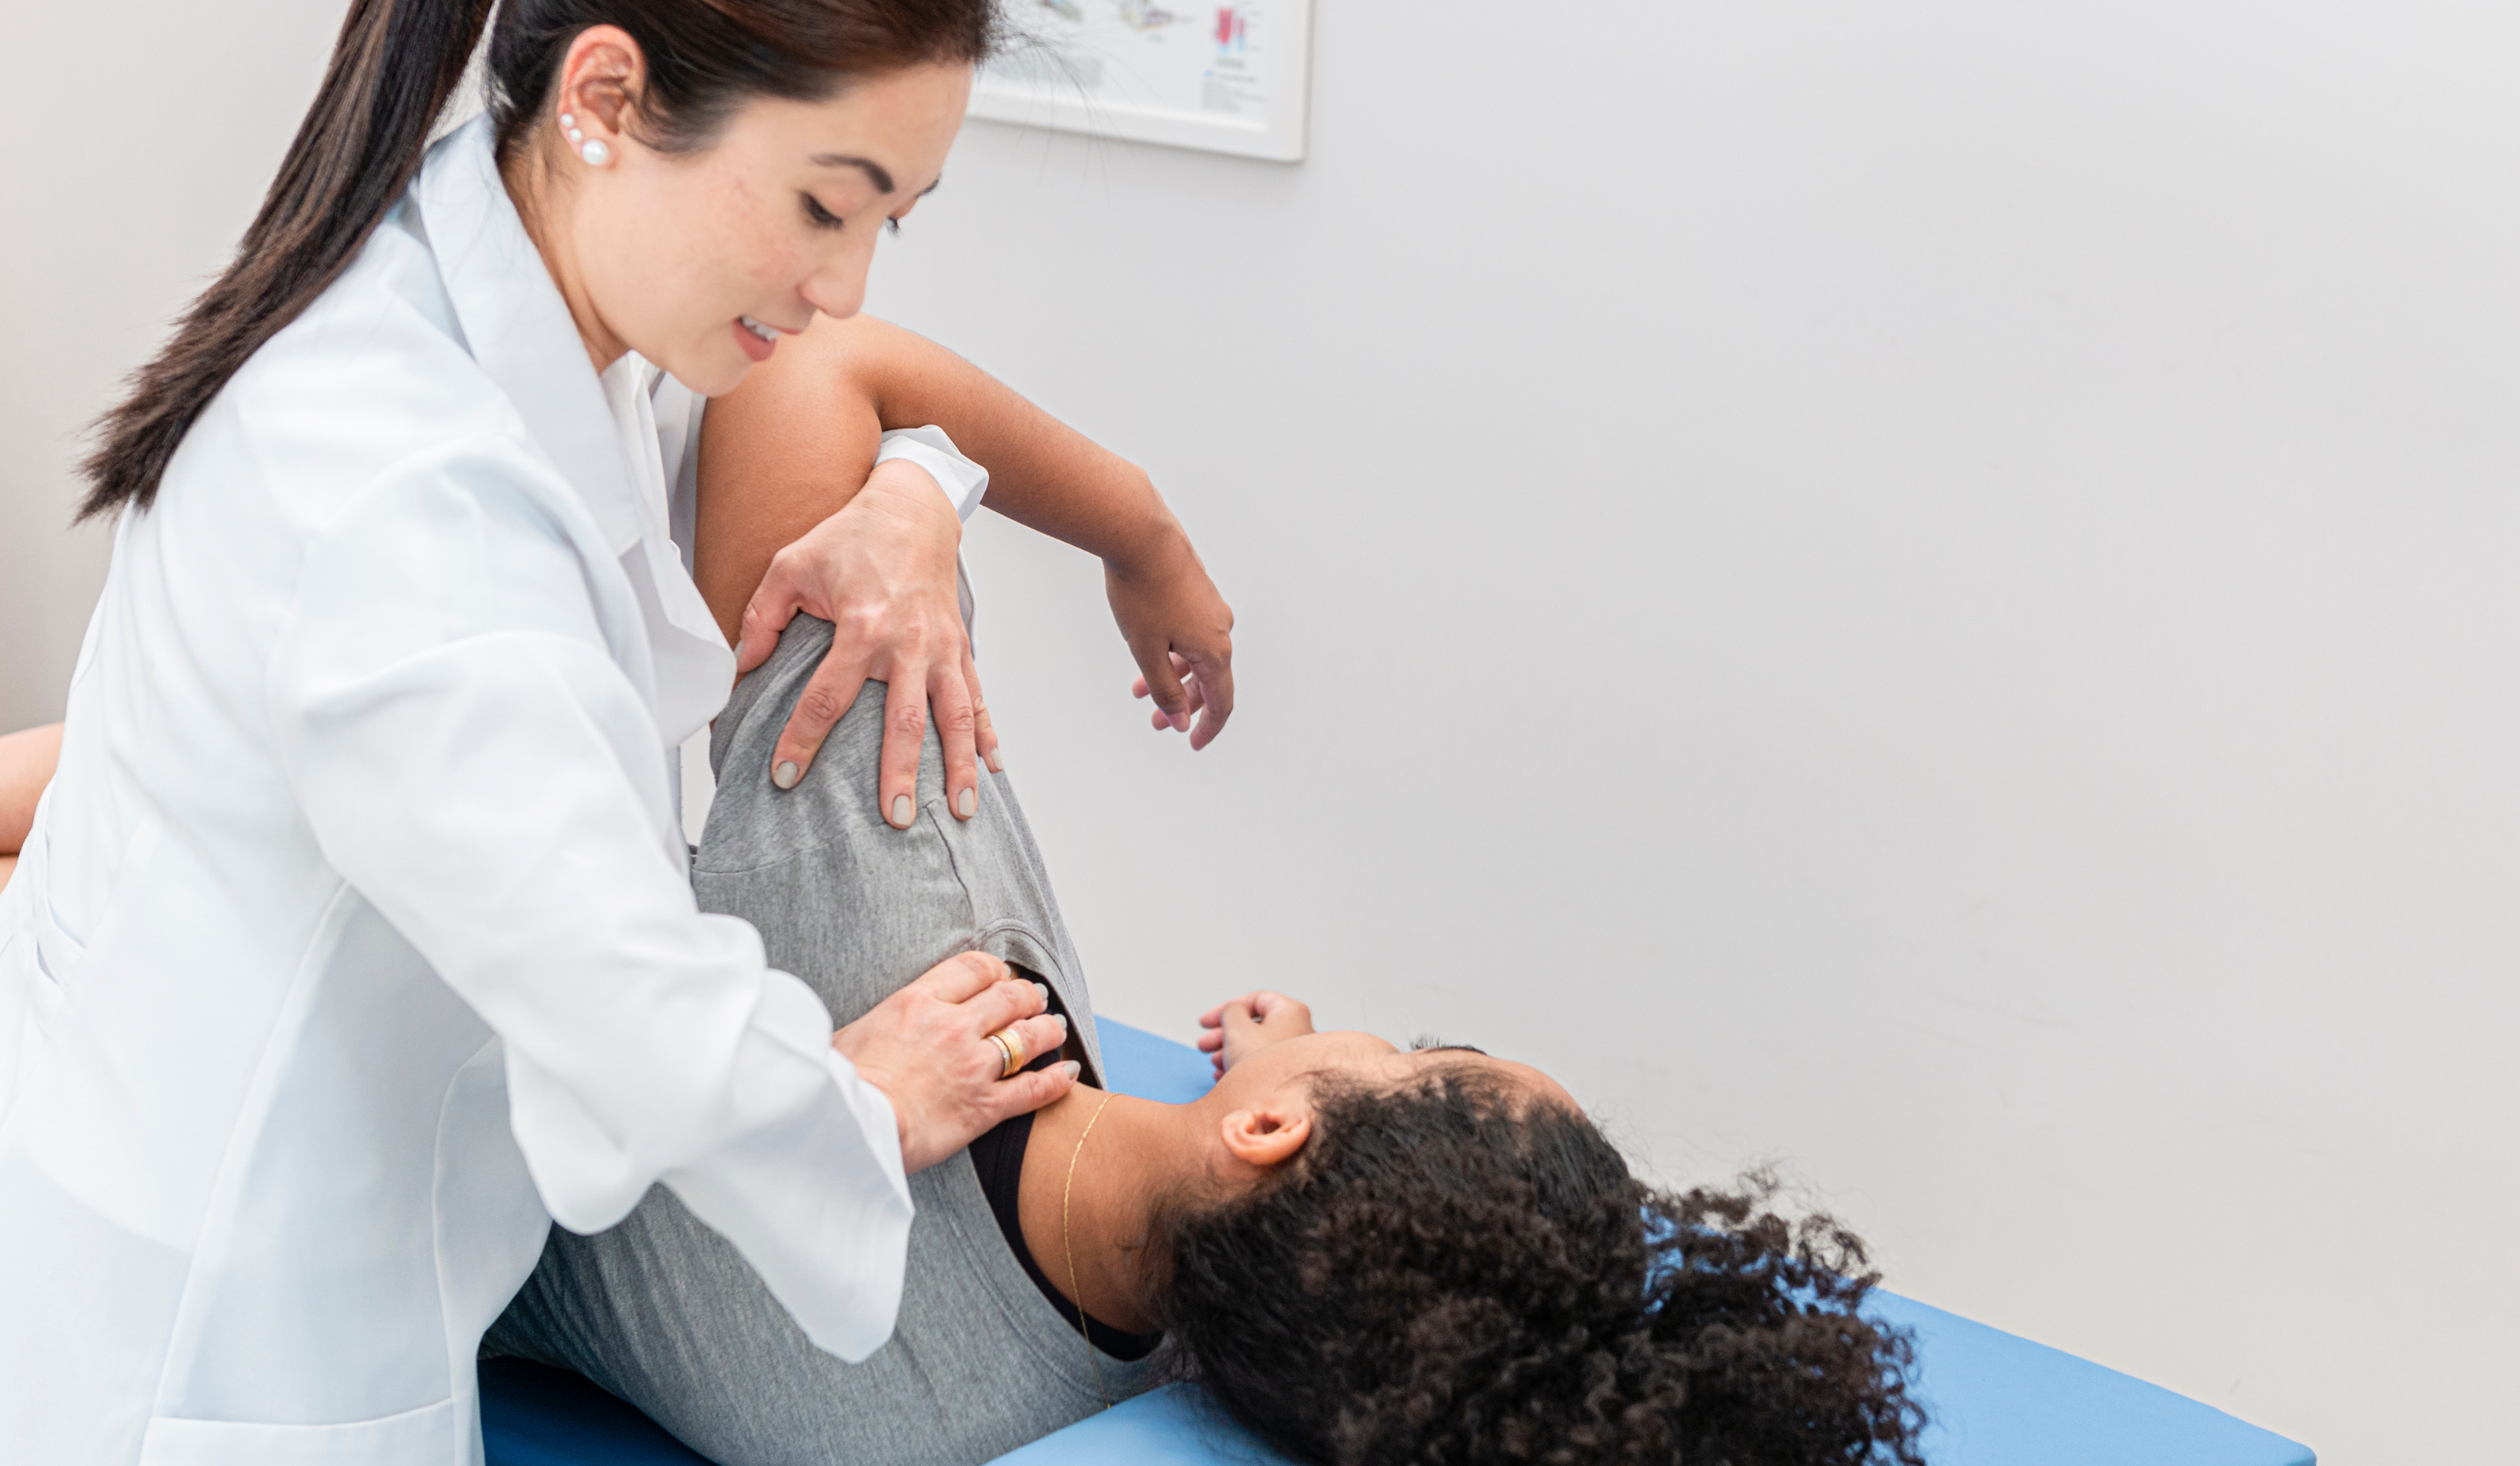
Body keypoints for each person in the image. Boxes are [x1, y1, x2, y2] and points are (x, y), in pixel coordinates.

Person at [0, 0, 1231, 1460]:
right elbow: (634, 1034)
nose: (843, 283)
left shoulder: (493, 295)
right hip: (194, 1349)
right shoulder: (409, 505)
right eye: (826, 205)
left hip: (137, 1138)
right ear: (605, 98)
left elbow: (772, 423)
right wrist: (855, 1104)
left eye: (893, 223)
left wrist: (918, 493)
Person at [479, 372, 1924, 1466]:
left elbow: (795, 361)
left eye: (1417, 1057)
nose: (1379, 1037)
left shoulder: (919, 906)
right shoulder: (1155, 1371)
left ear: (1273, 1134)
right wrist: (1278, 1068)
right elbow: (1215, 1233)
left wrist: (1103, 522)